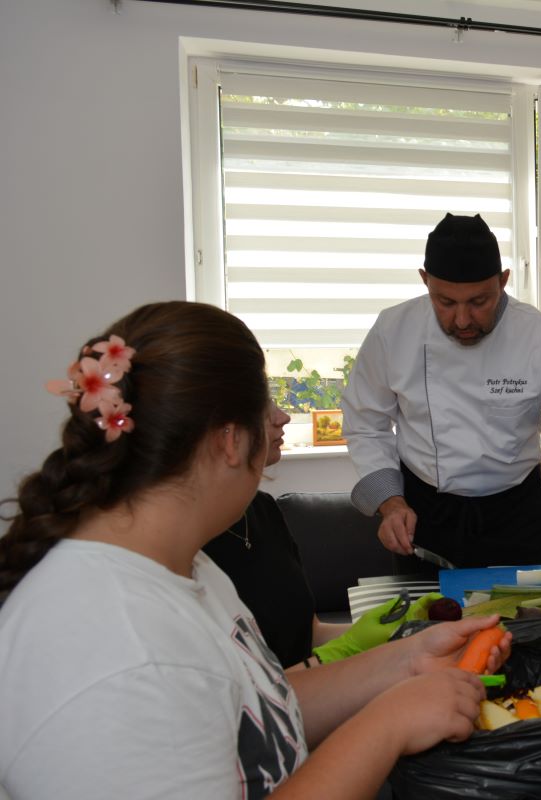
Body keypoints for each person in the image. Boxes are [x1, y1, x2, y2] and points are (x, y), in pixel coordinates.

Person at [0, 301, 508, 798]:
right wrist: (387, 725)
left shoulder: (188, 568)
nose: (281, 416)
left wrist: (409, 661)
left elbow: (260, 713)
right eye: (265, 402)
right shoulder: (122, 655)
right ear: (228, 440)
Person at [342, 213, 541, 587]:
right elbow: (366, 423)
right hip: (424, 515)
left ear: (504, 281)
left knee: (527, 632)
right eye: (444, 302)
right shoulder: (392, 331)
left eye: (479, 301)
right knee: (427, 633)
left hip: (517, 514)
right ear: (425, 280)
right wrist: (391, 504)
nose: (462, 319)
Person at [204, 401, 417, 670]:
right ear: (220, 429)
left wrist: (396, 632)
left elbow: (309, 633)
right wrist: (341, 654)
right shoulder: (188, 549)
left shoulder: (263, 510)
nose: (283, 417)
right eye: (261, 402)